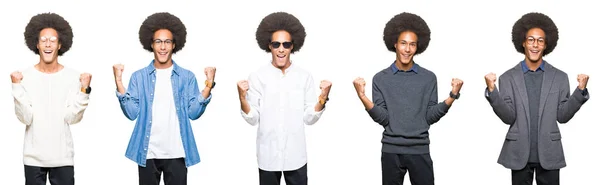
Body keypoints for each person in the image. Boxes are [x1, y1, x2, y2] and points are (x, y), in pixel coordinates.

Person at [352, 12, 463, 185]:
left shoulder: (428, 78)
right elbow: (383, 118)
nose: (407, 49)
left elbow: (429, 116)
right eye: (403, 43)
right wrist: (362, 96)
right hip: (391, 151)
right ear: (394, 44)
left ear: (418, 47)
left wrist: (453, 95)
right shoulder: (380, 78)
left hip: (419, 150)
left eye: (412, 44)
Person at [484, 12, 589, 185]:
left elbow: (562, 116)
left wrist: (580, 91)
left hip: (549, 152)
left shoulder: (560, 77)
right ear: (523, 42)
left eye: (540, 40)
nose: (535, 45)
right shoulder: (508, 78)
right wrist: (492, 90)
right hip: (519, 153)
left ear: (546, 44)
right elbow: (508, 117)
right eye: (531, 39)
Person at [112, 12, 216, 185]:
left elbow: (193, 113)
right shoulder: (139, 77)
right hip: (147, 152)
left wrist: (208, 85)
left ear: (174, 45)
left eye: (167, 42)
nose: (162, 47)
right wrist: (119, 82)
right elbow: (131, 113)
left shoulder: (186, 77)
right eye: (158, 42)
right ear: (151, 44)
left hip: (177, 152)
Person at [236, 12, 332, 185]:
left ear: (292, 46)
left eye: (286, 44)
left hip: (296, 156)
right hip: (268, 155)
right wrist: (242, 99)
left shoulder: (304, 77)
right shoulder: (257, 77)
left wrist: (322, 99)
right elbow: (253, 119)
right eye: (276, 44)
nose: (281, 49)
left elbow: (309, 118)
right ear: (269, 46)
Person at [12, 12, 92, 185]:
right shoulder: (24, 77)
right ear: (37, 44)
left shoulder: (73, 77)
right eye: (43, 40)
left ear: (60, 44)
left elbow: (72, 118)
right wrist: (16, 87)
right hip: (33, 159)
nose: (48, 44)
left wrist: (84, 90)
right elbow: (25, 118)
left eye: (53, 40)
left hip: (62, 158)